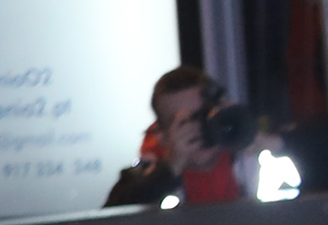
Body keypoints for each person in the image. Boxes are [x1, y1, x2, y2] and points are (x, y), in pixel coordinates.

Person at [102, 69, 272, 208]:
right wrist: (169, 170)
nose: (198, 128)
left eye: (204, 115)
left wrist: (252, 134)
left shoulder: (251, 160)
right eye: (183, 122)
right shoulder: (143, 177)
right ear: (161, 135)